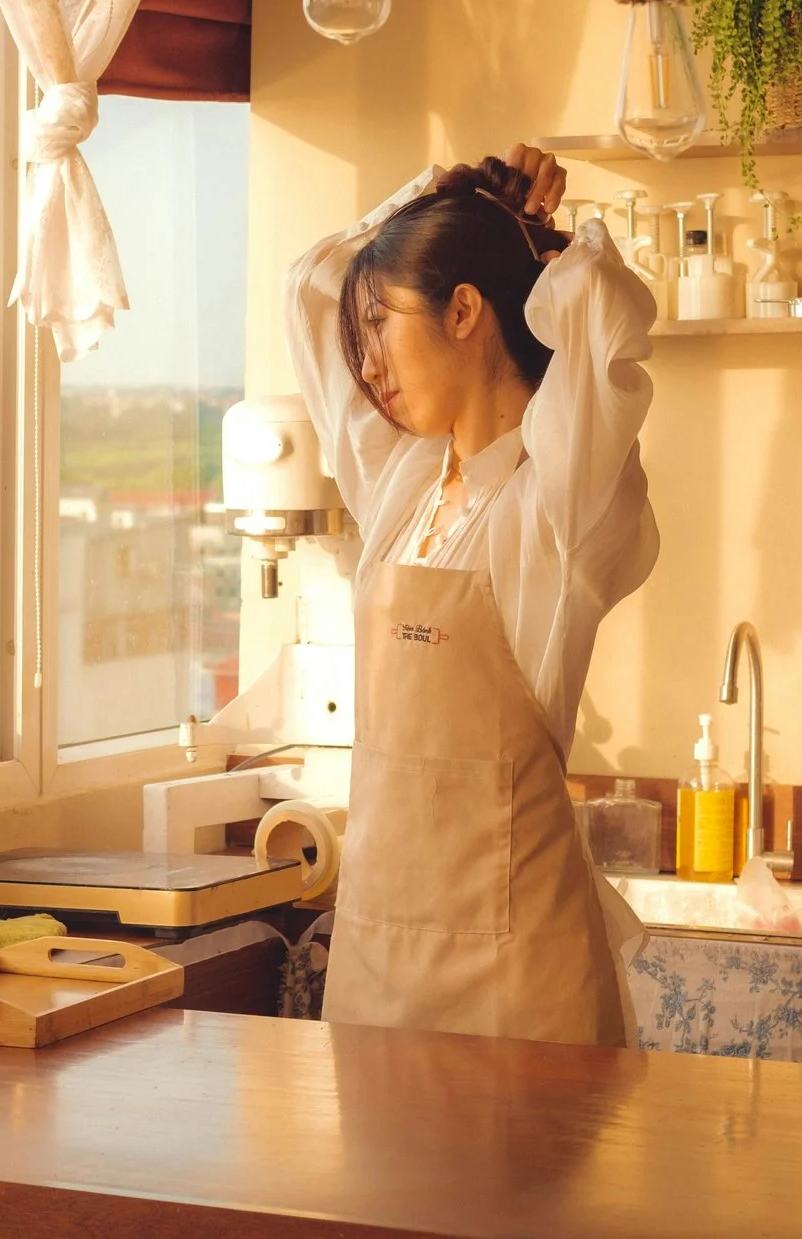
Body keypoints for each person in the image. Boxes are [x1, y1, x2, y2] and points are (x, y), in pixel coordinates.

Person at [283, 144, 657, 1047]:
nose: (364, 364)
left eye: (382, 326)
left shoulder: (552, 508)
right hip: (375, 955)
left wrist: (539, 242)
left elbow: (605, 316)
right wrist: (442, 192)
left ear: (463, 311)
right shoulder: (403, 490)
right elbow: (309, 284)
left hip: (515, 973)